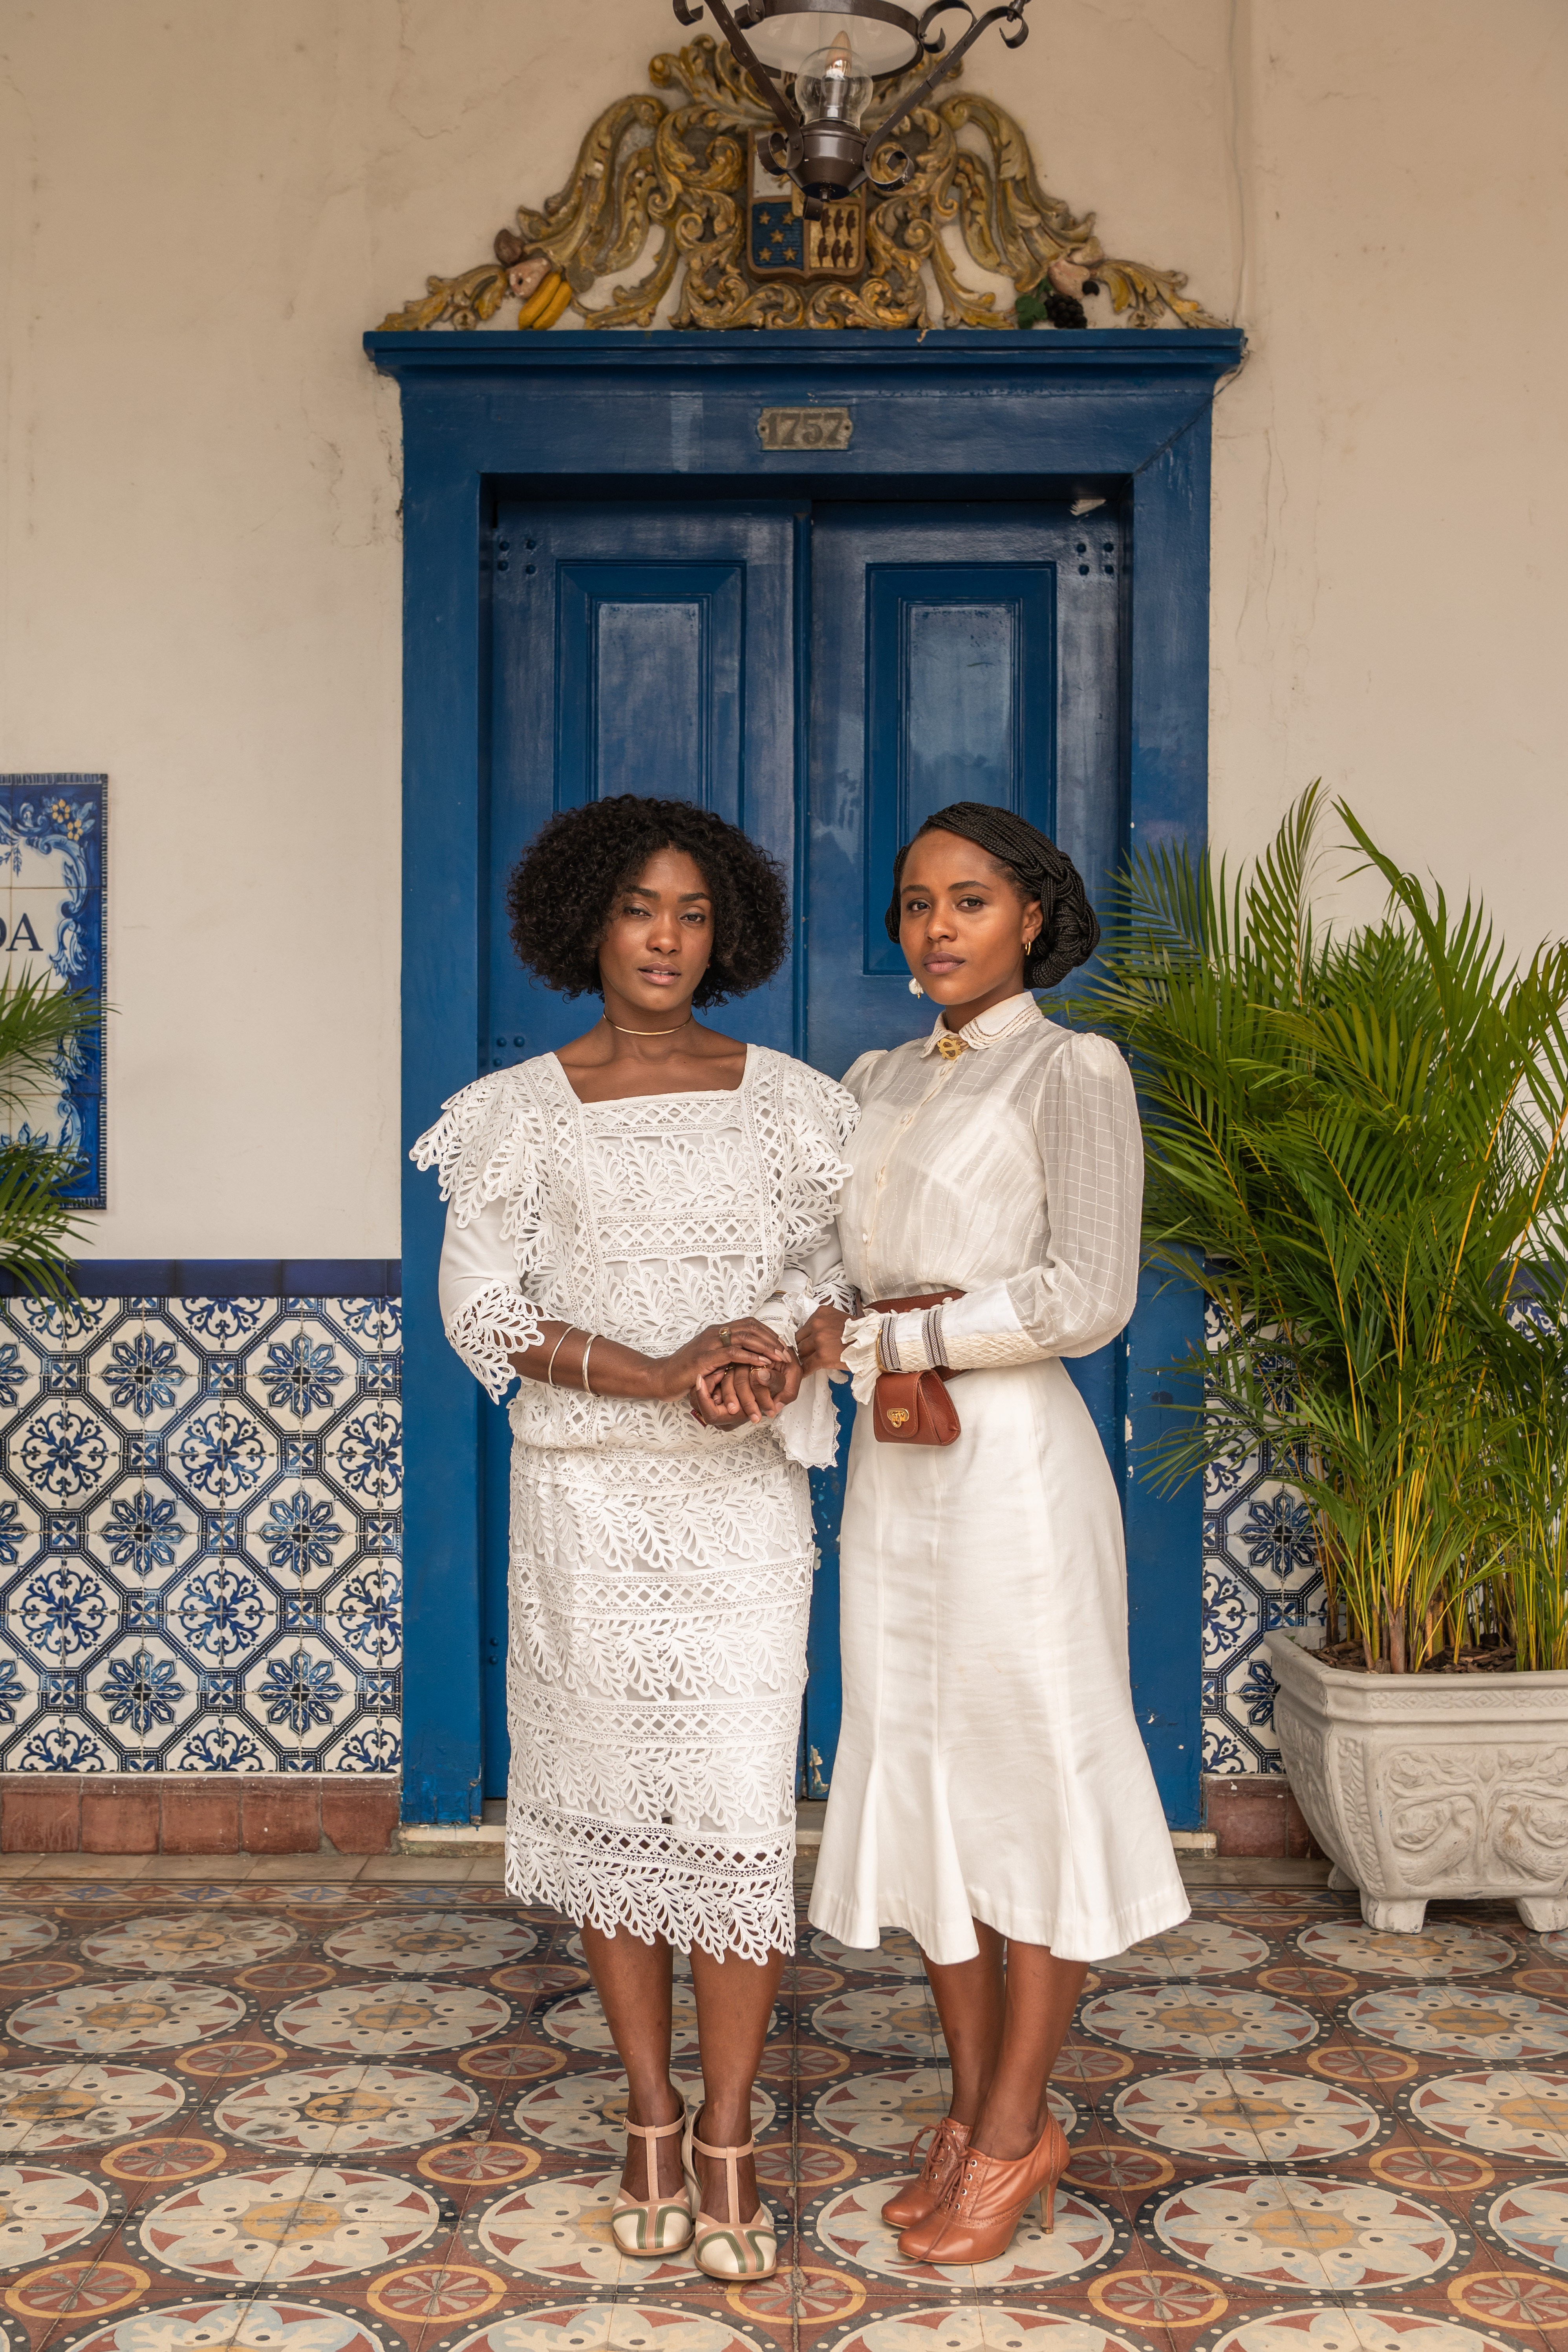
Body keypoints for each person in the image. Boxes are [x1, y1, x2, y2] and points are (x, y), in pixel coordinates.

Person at [412, 796, 856, 2283]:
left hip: (738, 1509)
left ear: (724, 931)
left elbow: (832, 1272)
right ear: (582, 924)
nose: (666, 940)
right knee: (613, 1814)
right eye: (638, 911)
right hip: (589, 1509)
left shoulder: (794, 1101)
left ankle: (727, 2138)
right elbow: (480, 1306)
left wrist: (775, 1352)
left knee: (732, 1813)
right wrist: (658, 1369)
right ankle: (650, 2117)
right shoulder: (517, 1112)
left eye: (692, 915)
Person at [794, 801, 1190, 2266]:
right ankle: (968, 2114)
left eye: (969, 899)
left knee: (1027, 1778)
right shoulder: (875, 1076)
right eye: (914, 903)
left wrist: (912, 1336)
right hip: (896, 1477)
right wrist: (831, 1334)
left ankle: (1019, 2131)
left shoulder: (1070, 1068)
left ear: (1032, 917)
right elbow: (830, 1274)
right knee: (923, 1780)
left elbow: (1088, 1292)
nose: (938, 926)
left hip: (1012, 1469)